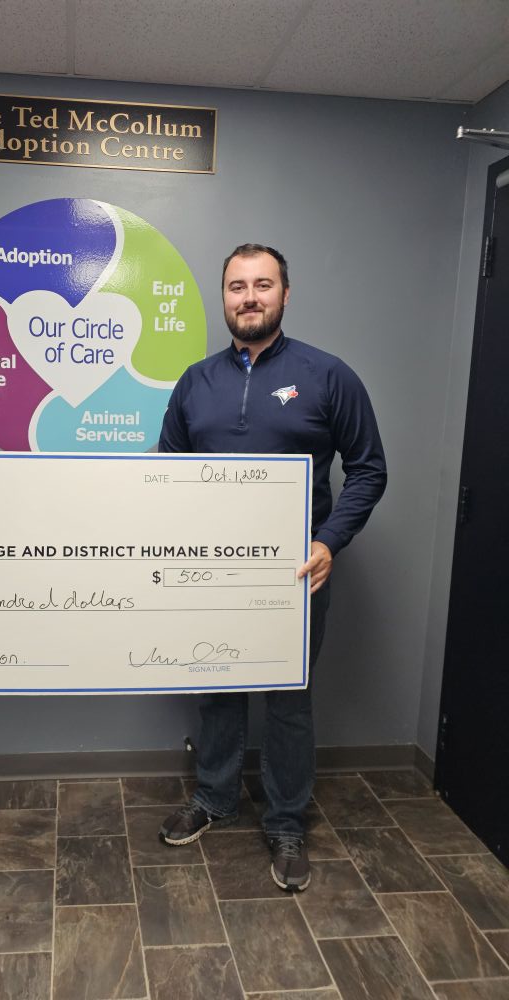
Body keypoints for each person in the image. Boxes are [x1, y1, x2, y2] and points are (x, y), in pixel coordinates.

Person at [158, 244, 387, 891]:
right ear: (224, 297)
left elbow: (369, 469)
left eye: (263, 284)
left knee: (288, 700)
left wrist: (329, 541)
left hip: (295, 574)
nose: (249, 297)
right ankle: (215, 798)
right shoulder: (195, 382)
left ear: (286, 294)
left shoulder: (328, 375)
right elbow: (166, 475)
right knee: (215, 685)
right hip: (210, 572)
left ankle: (286, 820)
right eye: (237, 286)